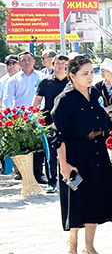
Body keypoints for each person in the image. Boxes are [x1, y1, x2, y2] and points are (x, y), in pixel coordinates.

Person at [51, 55, 112, 254]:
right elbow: (58, 135)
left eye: (92, 72)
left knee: (96, 198)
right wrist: (64, 164)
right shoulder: (64, 99)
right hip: (75, 154)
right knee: (76, 200)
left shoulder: (96, 93)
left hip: (97, 152)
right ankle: (72, 244)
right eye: (84, 73)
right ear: (72, 75)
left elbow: (104, 119)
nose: (90, 77)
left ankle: (89, 247)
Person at [5, 51, 47, 183]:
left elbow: (46, 97)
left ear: (34, 61)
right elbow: (8, 100)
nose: (26, 62)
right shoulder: (13, 80)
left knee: (39, 145)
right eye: (23, 60)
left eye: (29, 60)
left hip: (38, 116)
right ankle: (22, 172)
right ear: (19, 63)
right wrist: (9, 117)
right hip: (20, 118)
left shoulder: (42, 77)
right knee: (21, 145)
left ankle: (38, 173)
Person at [33, 54, 70, 193]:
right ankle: (52, 182)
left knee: (70, 152)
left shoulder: (72, 82)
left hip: (69, 122)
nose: (60, 66)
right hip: (49, 122)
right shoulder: (45, 82)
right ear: (53, 65)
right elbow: (37, 100)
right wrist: (34, 114)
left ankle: (70, 179)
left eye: (63, 63)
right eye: (57, 63)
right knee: (51, 154)